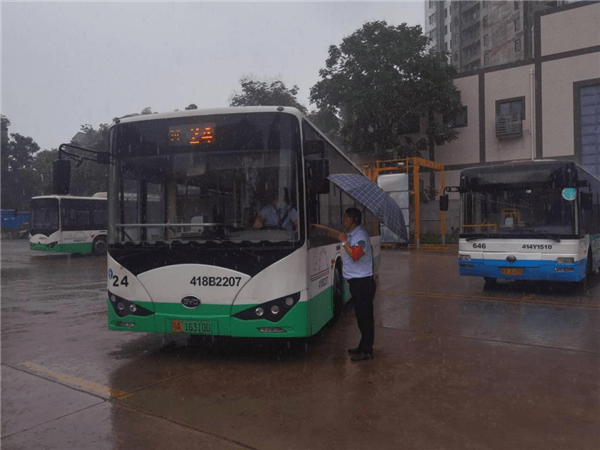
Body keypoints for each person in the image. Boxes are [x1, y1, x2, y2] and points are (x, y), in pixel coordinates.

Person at [312, 207, 376, 362]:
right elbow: (337, 234)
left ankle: (367, 351)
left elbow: (355, 255)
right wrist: (318, 227)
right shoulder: (353, 234)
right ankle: (362, 346)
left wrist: (343, 241)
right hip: (358, 283)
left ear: (352, 220)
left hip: (363, 283)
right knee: (362, 317)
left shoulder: (360, 235)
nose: (343, 219)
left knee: (365, 318)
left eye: (346, 217)